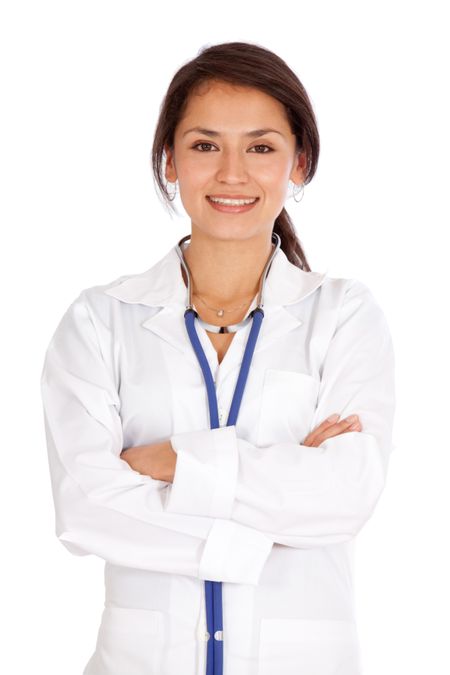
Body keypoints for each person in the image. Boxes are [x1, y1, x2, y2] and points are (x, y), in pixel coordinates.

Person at [40, 41, 396, 675]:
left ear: (299, 162)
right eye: (205, 145)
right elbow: (87, 509)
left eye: (261, 147)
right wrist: (268, 516)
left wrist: (173, 461)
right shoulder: (100, 320)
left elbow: (346, 497)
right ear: (170, 161)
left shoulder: (343, 315)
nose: (233, 173)